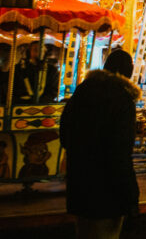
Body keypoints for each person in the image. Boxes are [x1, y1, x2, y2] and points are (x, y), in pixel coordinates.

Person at [59, 50, 140, 239]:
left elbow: (64, 134)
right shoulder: (122, 99)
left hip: (80, 183)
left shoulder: (82, 91)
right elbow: (120, 153)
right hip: (108, 190)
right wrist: (131, 197)